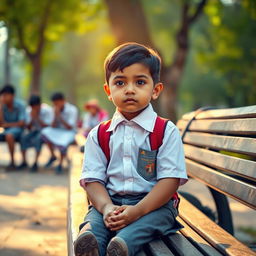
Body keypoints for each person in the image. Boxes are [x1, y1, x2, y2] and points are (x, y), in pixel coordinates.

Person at [74, 42, 188, 256]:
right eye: (120, 82)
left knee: (146, 224)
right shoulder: (99, 135)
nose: (129, 89)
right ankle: (91, 243)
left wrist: (138, 211)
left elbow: (170, 180)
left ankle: (122, 245)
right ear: (108, 90)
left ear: (155, 90)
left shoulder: (164, 131)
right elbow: (93, 179)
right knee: (95, 219)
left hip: (155, 204)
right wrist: (107, 207)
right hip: (111, 199)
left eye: (140, 82)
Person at [41, 92, 78, 174]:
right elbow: (52, 126)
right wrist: (55, 116)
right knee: (45, 132)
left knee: (63, 141)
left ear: (63, 101)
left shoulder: (72, 109)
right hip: (57, 131)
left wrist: (60, 117)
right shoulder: (53, 109)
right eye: (54, 104)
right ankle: (53, 155)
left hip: (69, 132)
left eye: (57, 103)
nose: (56, 105)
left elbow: (70, 127)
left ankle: (60, 164)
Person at [18, 95, 53, 172]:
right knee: (23, 137)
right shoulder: (29, 111)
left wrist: (37, 117)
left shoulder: (47, 110)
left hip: (46, 131)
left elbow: (49, 125)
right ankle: (24, 161)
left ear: (40, 105)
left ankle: (35, 162)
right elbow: (28, 127)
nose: (34, 109)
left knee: (38, 138)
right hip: (35, 130)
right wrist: (31, 119)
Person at [0, 84, 25, 169]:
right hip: (6, 130)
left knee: (9, 135)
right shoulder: (2, 106)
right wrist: (0, 108)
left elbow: (21, 123)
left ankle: (12, 162)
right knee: (8, 134)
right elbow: (1, 123)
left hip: (18, 130)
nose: (4, 97)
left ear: (13, 96)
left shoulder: (20, 105)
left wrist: (7, 125)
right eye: (3, 95)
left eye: (6, 95)